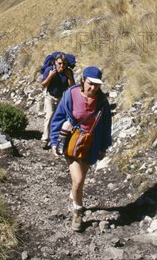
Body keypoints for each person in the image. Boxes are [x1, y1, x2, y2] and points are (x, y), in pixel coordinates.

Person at [50, 66, 112, 232]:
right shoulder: (70, 95)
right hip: (72, 142)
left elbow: (106, 125)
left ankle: (74, 194)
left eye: (97, 85)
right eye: (90, 84)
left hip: (91, 144)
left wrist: (104, 146)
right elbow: (58, 118)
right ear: (83, 80)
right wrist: (54, 142)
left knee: (81, 179)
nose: (93, 88)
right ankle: (78, 211)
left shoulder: (102, 102)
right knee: (78, 180)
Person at [40, 53, 75, 149]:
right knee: (49, 116)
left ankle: (57, 140)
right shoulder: (50, 70)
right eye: (59, 63)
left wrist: (69, 77)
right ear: (55, 62)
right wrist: (50, 76)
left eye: (64, 63)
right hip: (50, 96)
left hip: (62, 98)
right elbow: (43, 85)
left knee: (60, 119)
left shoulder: (68, 72)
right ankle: (45, 139)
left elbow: (73, 87)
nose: (62, 66)